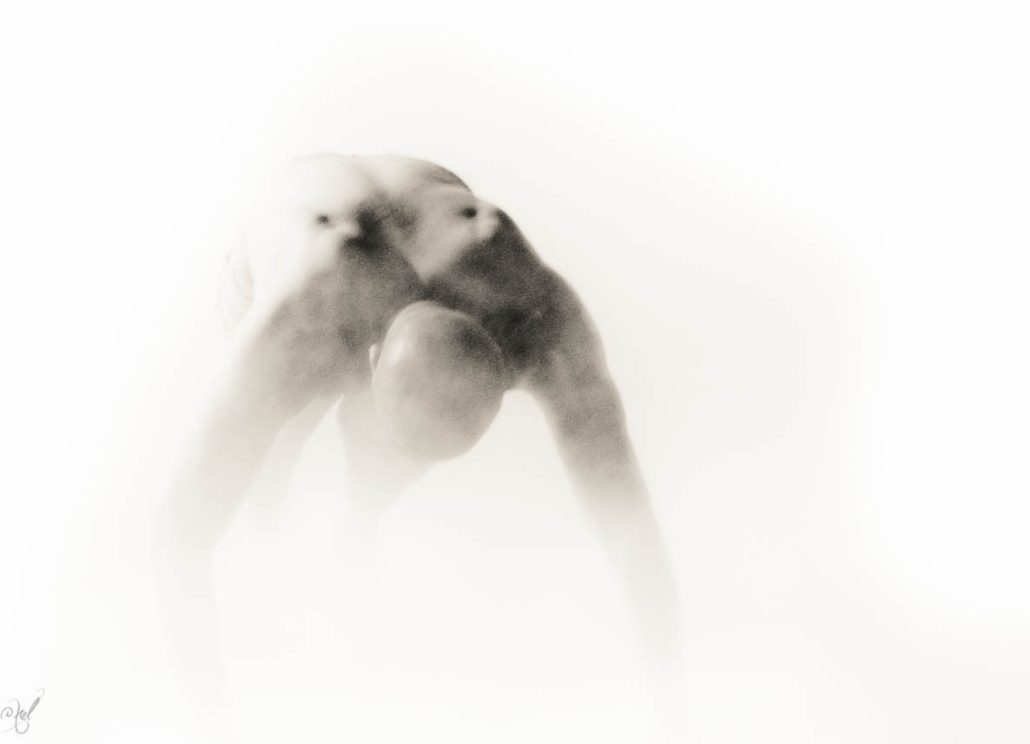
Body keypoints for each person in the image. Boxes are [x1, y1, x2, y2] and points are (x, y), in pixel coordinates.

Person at [156, 153, 682, 715]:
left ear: (504, 369)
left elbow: (628, 523)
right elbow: (177, 537)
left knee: (368, 467)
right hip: (303, 229)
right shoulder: (303, 320)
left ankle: (352, 546)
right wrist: (208, 718)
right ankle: (280, 561)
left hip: (402, 225)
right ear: (368, 363)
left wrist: (672, 704)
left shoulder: (539, 321)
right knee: (269, 454)